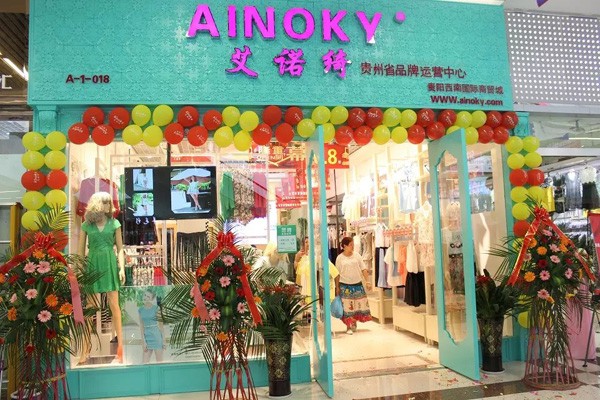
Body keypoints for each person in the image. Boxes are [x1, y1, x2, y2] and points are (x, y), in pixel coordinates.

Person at [78, 191, 126, 363]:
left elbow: (120, 248)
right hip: (92, 264)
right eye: (105, 202)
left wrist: (122, 268)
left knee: (114, 305)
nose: (109, 206)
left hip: (110, 263)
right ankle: (85, 347)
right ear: (97, 204)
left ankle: (121, 347)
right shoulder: (86, 225)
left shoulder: (114, 223)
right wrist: (80, 270)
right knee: (90, 308)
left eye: (109, 203)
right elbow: (80, 250)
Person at [335, 236, 372, 334]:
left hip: (357, 284)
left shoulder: (357, 256)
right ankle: (348, 327)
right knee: (347, 307)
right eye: (350, 245)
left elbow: (363, 269)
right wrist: (337, 287)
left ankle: (354, 323)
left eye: (353, 245)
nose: (353, 247)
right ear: (344, 246)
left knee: (357, 306)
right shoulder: (339, 258)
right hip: (345, 285)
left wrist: (367, 281)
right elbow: (337, 274)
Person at [139, 290, 166, 363]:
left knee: (159, 362)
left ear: (151, 299)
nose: (145, 297)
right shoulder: (140, 310)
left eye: (148, 297)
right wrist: (143, 341)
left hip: (156, 336)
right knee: (145, 362)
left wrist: (163, 341)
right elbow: (141, 326)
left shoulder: (156, 308)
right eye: (145, 295)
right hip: (147, 337)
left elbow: (161, 325)